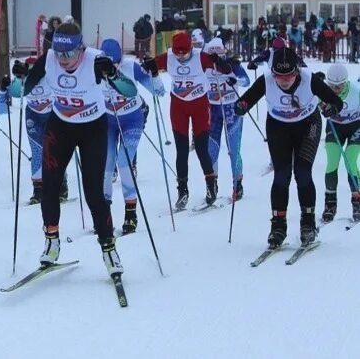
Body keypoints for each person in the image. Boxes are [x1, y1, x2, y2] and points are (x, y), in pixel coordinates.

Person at [22, 22, 135, 275]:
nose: (63, 59)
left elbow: (130, 91)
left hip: (92, 130)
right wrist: (22, 77)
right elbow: (27, 88)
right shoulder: (49, 58)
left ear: (81, 49)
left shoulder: (96, 61)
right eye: (60, 53)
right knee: (49, 186)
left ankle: (109, 249)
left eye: (69, 53)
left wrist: (114, 75)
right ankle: (51, 242)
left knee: (94, 193)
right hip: (60, 127)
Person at [235, 48, 343, 248]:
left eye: (289, 75)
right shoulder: (266, 80)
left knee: (302, 172)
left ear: (297, 71)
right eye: (279, 76)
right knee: (281, 175)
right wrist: (241, 106)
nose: (284, 80)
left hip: (308, 125)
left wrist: (331, 108)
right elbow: (246, 100)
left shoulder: (309, 79)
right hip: (278, 126)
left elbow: (338, 102)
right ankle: (278, 226)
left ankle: (308, 224)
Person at [142, 32, 231, 210]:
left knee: (201, 148)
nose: (181, 56)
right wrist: (149, 65)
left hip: (199, 106)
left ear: (191, 48)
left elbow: (227, 70)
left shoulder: (200, 57)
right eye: (178, 53)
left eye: (184, 53)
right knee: (181, 151)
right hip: (178, 107)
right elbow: (148, 68)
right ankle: (183, 191)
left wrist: (218, 61)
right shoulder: (169, 57)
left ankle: (211, 184)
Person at [99, 39, 164, 234]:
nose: (114, 68)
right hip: (108, 122)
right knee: (106, 164)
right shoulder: (96, 69)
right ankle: (104, 213)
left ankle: (130, 212)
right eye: (110, 64)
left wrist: (154, 73)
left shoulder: (131, 67)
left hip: (132, 120)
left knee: (124, 161)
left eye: (117, 63)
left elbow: (159, 91)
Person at [203, 38, 250, 201]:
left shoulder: (232, 64)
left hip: (232, 110)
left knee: (233, 150)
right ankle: (212, 184)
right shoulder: (205, 66)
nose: (216, 57)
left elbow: (246, 81)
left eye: (219, 53)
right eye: (212, 54)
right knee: (211, 150)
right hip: (213, 110)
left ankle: (238, 184)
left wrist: (235, 79)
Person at [319, 63, 360, 223]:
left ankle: (357, 200)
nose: (336, 89)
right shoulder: (323, 92)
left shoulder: (356, 91)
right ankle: (330, 204)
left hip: (356, 126)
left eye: (340, 86)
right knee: (332, 162)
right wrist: (322, 106)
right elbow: (311, 102)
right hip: (335, 127)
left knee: (350, 160)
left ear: (346, 82)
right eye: (333, 86)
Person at [12, 56, 54, 205]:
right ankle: (38, 190)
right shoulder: (24, 79)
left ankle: (61, 186)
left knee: (53, 152)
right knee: (37, 151)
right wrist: (15, 79)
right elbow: (14, 92)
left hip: (51, 115)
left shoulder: (48, 75)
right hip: (33, 116)